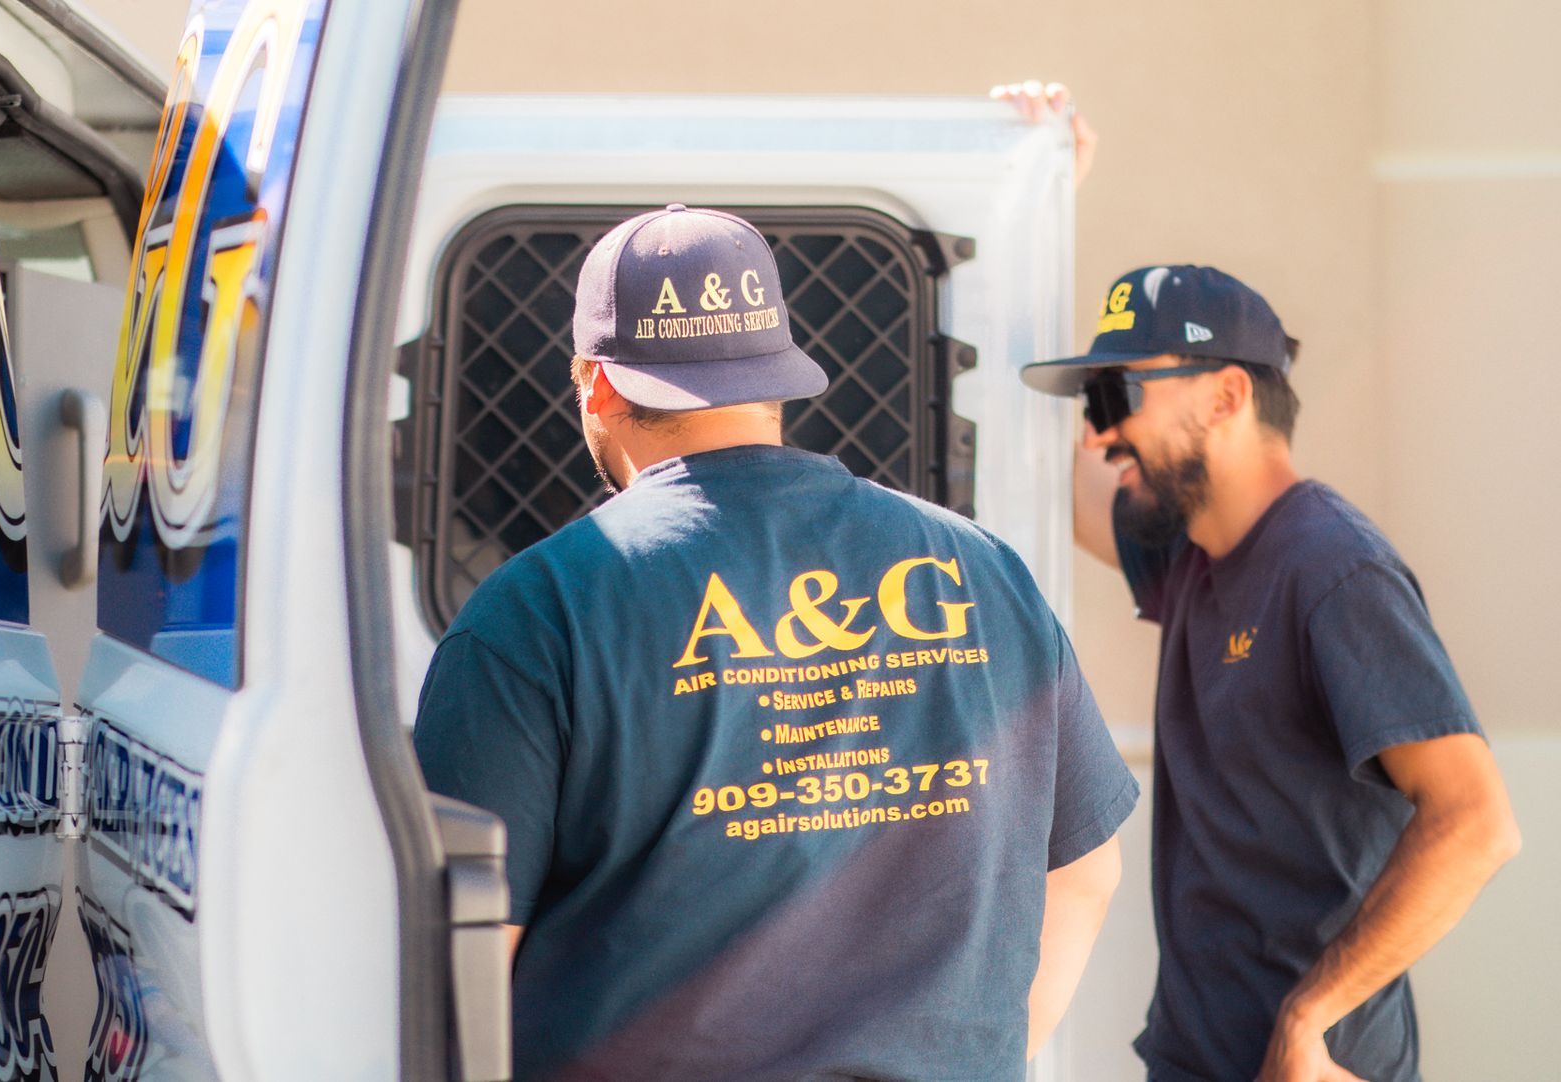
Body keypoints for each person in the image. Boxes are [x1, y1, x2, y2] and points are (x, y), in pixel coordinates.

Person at [414, 203, 1138, 1081]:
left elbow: (464, 955)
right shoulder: (984, 570)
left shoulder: (536, 612)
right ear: (775, 379)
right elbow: (1089, 866)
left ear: (597, 385)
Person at [1020, 266, 1521, 1082]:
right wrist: (1045, 169)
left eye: (1118, 396)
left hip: (1310, 1068)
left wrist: (1309, 1018)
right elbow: (1070, 500)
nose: (1098, 433)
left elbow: (1476, 822)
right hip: (1196, 1058)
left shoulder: (1334, 571)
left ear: (1224, 397)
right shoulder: (1192, 556)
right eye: (1093, 404)